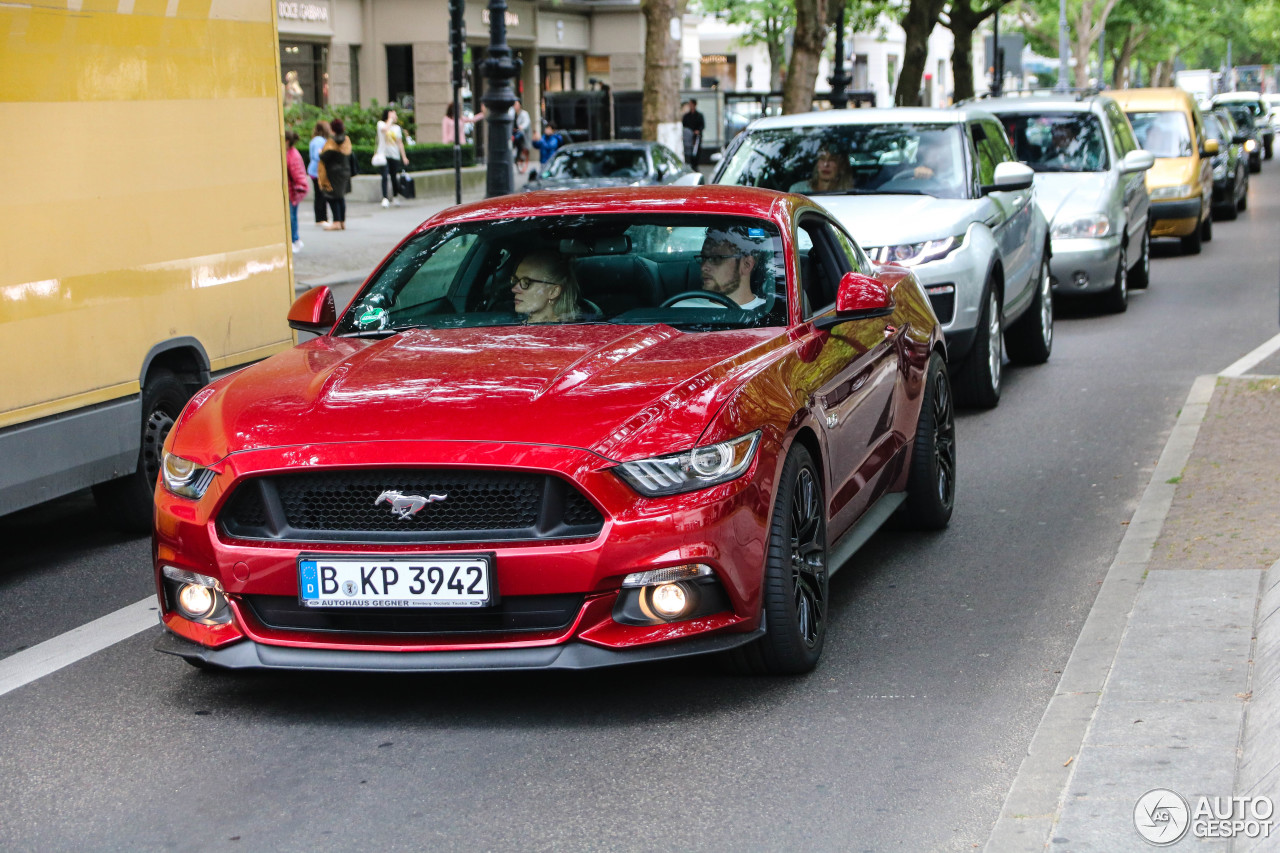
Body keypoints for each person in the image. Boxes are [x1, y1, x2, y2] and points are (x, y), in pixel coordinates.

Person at [696, 226, 767, 309]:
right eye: (703, 258)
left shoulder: (770, 313)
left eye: (716, 258)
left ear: (746, 264)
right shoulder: (681, 308)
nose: (703, 267)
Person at [511, 249, 580, 323]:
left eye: (526, 282)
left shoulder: (567, 332)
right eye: (515, 280)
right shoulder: (510, 326)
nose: (514, 289)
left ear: (553, 292)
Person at [317, 118, 355, 230]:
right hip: (344, 172)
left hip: (333, 174)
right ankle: (342, 221)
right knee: (341, 197)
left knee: (332, 197)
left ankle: (336, 222)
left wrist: (320, 153)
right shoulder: (347, 140)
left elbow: (325, 157)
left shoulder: (331, 142)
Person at [376, 108, 409, 208]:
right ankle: (385, 198)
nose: (396, 117)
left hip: (394, 155)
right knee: (384, 176)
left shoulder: (397, 128)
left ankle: (395, 196)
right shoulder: (381, 124)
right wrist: (390, 119)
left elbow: (399, 142)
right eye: (394, 114)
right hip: (384, 155)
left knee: (394, 177)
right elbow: (384, 130)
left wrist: (404, 156)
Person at [284, 130, 309, 252]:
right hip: (293, 191)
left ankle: (294, 240)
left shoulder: (291, 155)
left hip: (292, 192)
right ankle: (295, 239)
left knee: (291, 216)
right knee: (292, 216)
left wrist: (300, 188)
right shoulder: (291, 154)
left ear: (287, 141)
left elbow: (297, 174)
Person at [789, 147, 854, 193]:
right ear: (817, 164)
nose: (826, 164)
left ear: (841, 166)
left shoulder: (849, 193)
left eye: (832, 160)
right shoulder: (797, 190)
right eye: (822, 159)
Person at [307, 120, 332, 225]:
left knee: (320, 195)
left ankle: (321, 218)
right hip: (318, 172)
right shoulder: (319, 141)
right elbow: (317, 156)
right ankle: (321, 218)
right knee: (321, 196)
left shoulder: (315, 140)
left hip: (314, 171)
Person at [682, 99, 705, 169]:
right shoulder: (686, 116)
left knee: (696, 152)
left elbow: (702, 126)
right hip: (688, 138)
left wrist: (698, 131)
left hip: (696, 137)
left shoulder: (699, 116)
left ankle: (695, 166)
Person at [512, 101, 531, 172]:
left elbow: (526, 122)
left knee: (520, 143)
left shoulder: (524, 114)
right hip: (515, 133)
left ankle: (520, 157)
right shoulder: (512, 113)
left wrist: (521, 127)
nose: (515, 106)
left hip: (522, 135)